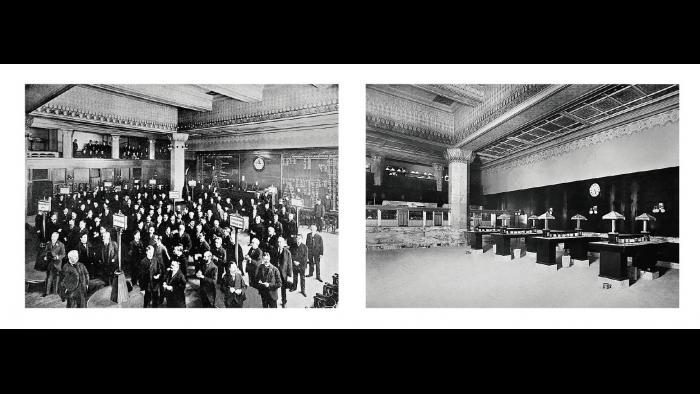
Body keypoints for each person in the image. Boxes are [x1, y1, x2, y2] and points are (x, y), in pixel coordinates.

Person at [43, 232, 66, 296]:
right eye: (52, 236)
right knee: (49, 277)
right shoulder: (48, 244)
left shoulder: (61, 244)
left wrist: (58, 257)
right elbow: (45, 252)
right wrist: (45, 256)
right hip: (50, 263)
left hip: (57, 264)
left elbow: (63, 254)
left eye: (54, 236)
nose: (53, 238)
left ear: (57, 237)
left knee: (56, 278)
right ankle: (47, 292)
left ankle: (55, 292)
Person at [275, 237, 294, 308]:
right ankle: (274, 300)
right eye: (278, 242)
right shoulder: (274, 250)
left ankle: (284, 301)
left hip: (283, 273)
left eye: (280, 242)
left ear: (283, 243)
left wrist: (289, 274)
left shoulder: (287, 252)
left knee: (283, 288)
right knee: (274, 287)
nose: (279, 243)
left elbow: (289, 263)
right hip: (276, 272)